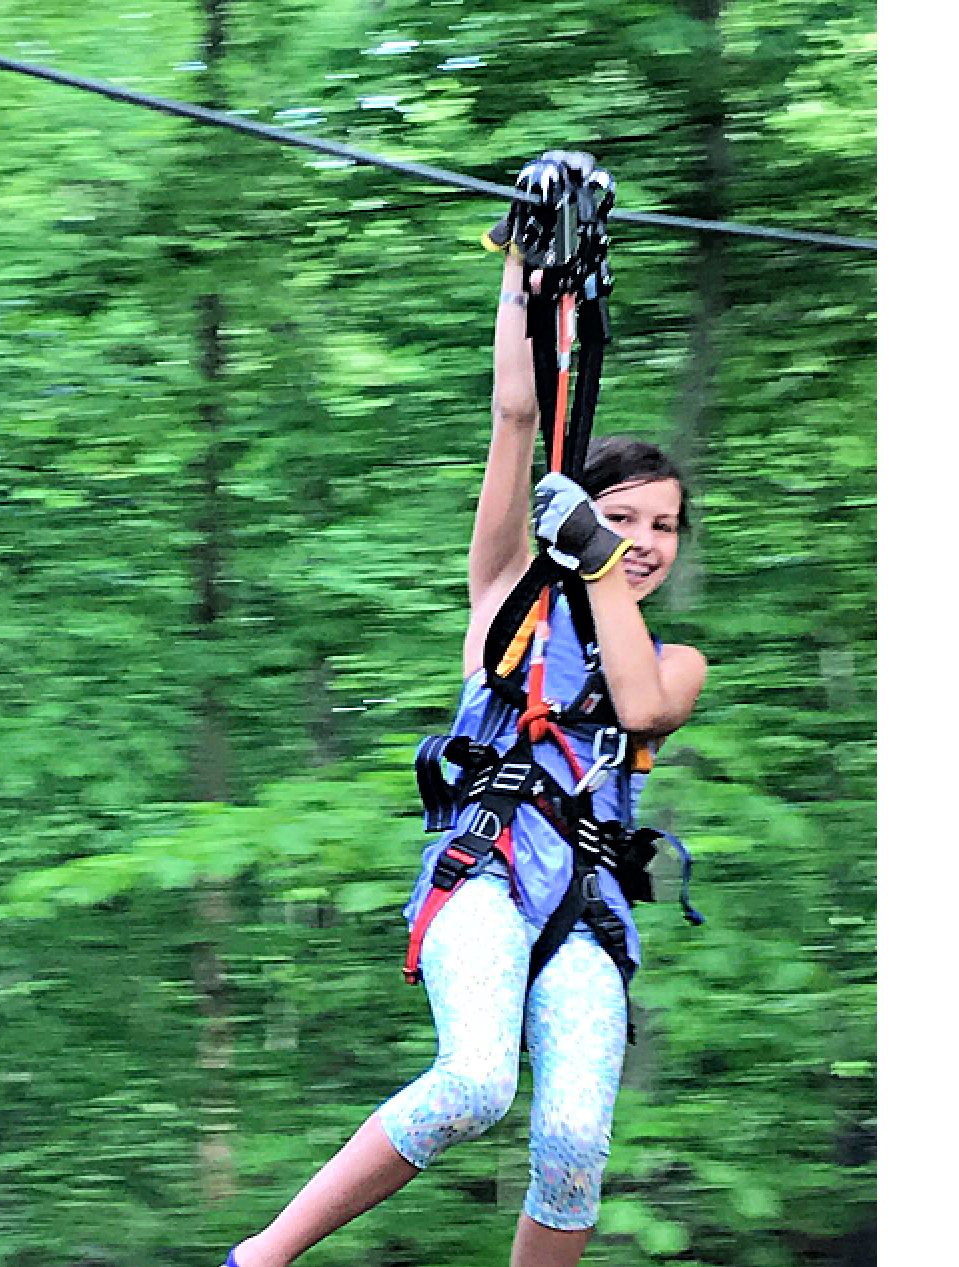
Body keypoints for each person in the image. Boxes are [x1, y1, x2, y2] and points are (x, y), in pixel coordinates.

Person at [224, 237, 707, 1267]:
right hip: (484, 876)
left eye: (664, 526)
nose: (646, 541)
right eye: (622, 518)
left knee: (573, 1146)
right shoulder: (508, 600)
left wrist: (600, 563)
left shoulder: (677, 663)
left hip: (586, 906)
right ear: (575, 518)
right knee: (476, 1081)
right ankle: (259, 1257)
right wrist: (523, 274)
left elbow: (636, 704)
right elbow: (515, 416)